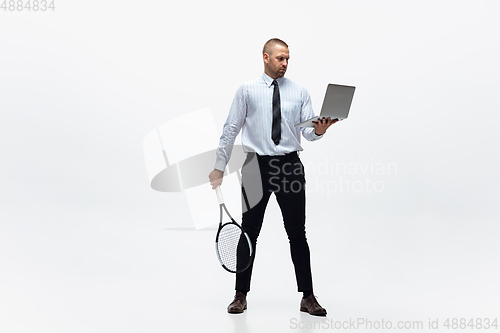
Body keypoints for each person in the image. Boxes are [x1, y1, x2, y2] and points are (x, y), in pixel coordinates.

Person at [208, 38, 337, 316]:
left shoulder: (299, 91)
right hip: (255, 167)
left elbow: (309, 133)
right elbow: (231, 128)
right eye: (280, 58)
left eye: (288, 59)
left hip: (290, 166)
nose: (285, 64)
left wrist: (322, 130)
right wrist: (219, 166)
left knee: (297, 233)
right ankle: (240, 294)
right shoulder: (247, 90)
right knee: (248, 232)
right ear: (265, 57)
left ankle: (308, 296)